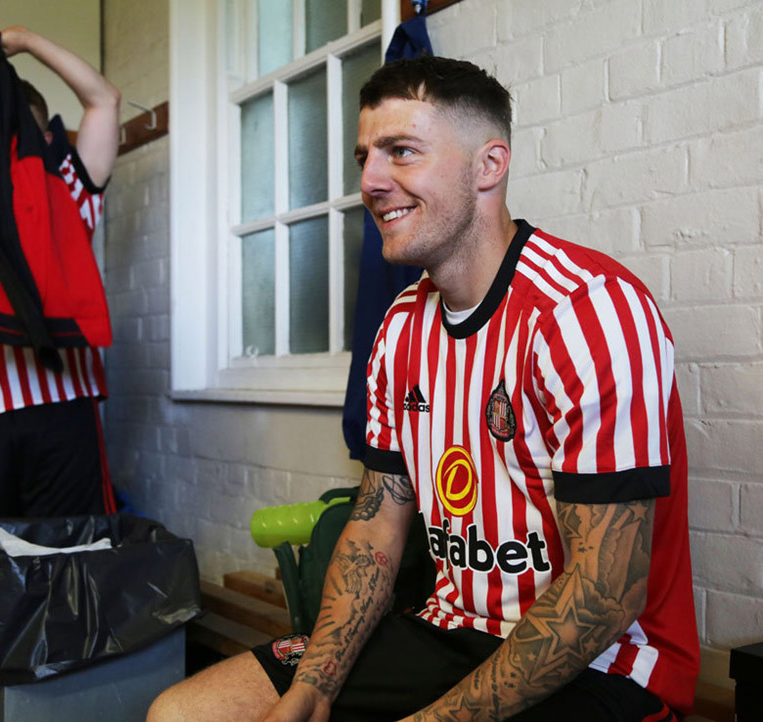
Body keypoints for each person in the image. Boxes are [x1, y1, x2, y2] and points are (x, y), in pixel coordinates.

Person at [148, 56, 699, 722]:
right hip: (448, 630)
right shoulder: (402, 325)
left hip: (603, 664)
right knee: (184, 712)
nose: (370, 182)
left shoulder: (587, 312)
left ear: (488, 165)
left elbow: (605, 595)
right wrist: (313, 687)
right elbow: (376, 527)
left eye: (401, 152)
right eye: (365, 158)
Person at [0, 26, 121, 534]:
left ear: (46, 141)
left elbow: (104, 100)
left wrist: (25, 41)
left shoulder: (72, 191)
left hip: (63, 410)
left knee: (71, 554)